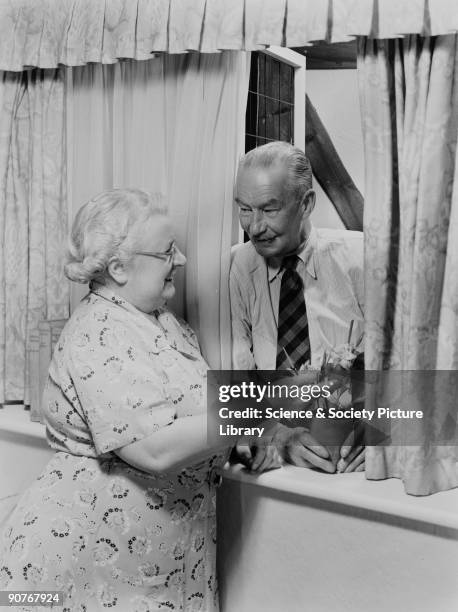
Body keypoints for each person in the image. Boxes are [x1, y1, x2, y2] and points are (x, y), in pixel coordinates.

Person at [0, 188, 252, 611]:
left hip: (151, 567)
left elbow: (193, 414)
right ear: (118, 267)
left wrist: (235, 440)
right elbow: (154, 449)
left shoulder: (157, 321)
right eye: (167, 252)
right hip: (72, 570)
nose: (182, 260)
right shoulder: (96, 333)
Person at [230, 142, 365, 474]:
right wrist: (275, 434)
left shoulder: (362, 259)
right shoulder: (235, 269)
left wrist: (386, 434)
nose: (254, 226)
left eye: (269, 209)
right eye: (245, 209)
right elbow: (232, 386)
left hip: (354, 469)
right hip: (278, 471)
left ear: (306, 203)